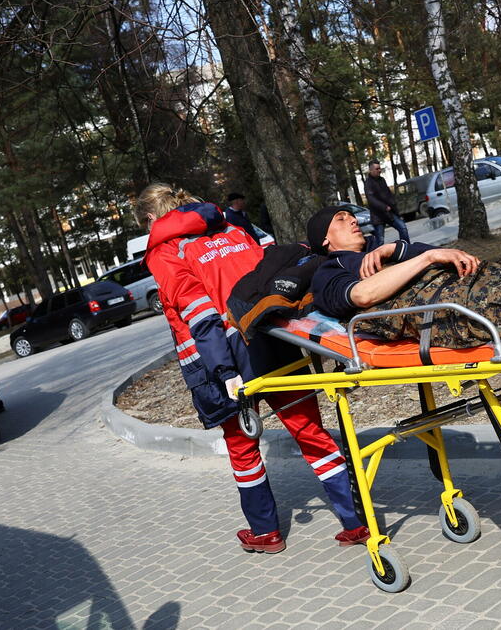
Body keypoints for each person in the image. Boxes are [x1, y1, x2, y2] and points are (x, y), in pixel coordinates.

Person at [137, 185, 368, 554]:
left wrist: (223, 370)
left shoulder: (166, 250)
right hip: (275, 338)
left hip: (224, 355)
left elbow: (197, 311)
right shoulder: (234, 229)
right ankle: (357, 521)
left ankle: (265, 531)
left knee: (243, 446)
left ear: (151, 218)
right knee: (309, 430)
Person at [307, 205, 476, 318]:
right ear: (324, 239)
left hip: (469, 282)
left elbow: (443, 255)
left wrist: (391, 249)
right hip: (454, 306)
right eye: (341, 219)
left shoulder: (382, 249)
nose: (354, 220)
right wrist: (427, 258)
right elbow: (363, 295)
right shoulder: (327, 273)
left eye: (352, 216)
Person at [363, 161, 410, 247]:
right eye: (377, 169)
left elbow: (388, 194)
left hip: (389, 213)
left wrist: (394, 206)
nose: (379, 170)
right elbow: (371, 199)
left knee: (403, 228)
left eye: (379, 168)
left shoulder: (382, 180)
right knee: (380, 240)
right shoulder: (368, 183)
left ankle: (406, 248)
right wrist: (384, 207)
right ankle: (376, 257)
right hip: (378, 215)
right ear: (371, 170)